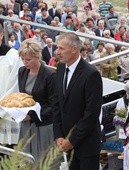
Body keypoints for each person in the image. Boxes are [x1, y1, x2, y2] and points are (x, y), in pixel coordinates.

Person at [53, 32, 103, 170]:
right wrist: (58, 136)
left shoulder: (91, 74)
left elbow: (91, 114)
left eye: (61, 48)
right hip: (66, 144)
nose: (57, 52)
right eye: (57, 48)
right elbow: (57, 103)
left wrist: (72, 140)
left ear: (74, 49)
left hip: (86, 146)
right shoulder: (61, 68)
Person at [18, 38, 56, 160]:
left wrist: (31, 116)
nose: (25, 62)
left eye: (28, 59)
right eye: (23, 59)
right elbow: (23, 97)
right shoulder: (22, 71)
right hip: (26, 123)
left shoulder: (49, 75)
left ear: (37, 56)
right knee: (26, 160)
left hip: (43, 125)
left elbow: (52, 105)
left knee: (43, 161)